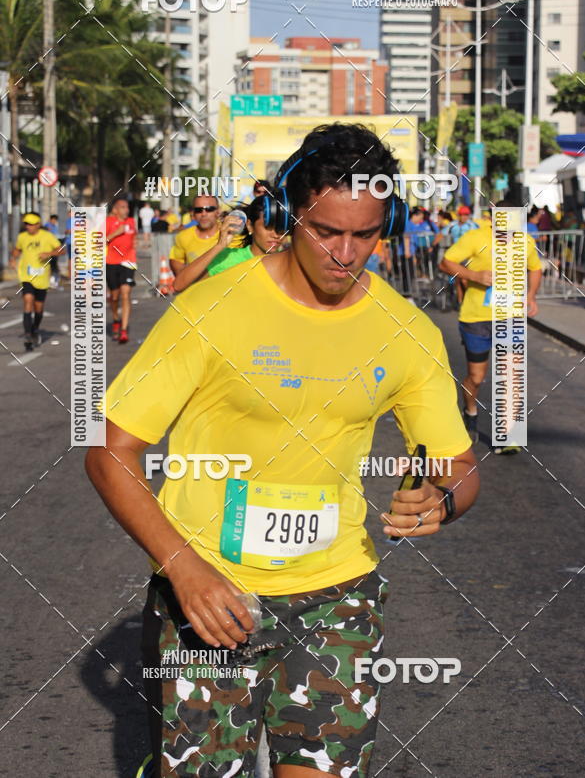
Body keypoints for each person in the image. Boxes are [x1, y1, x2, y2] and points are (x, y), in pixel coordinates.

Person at [86, 121, 479, 778]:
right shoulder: (211, 309)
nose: (345, 253)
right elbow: (111, 451)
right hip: (209, 591)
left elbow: (459, 463)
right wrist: (183, 567)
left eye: (366, 234)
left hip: (335, 594)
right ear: (291, 216)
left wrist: (443, 497)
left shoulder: (404, 331)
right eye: (327, 231)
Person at [439, 199, 542, 452]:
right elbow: (446, 262)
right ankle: (470, 411)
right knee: (477, 377)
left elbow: (536, 268)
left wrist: (531, 296)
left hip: (509, 316)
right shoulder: (476, 238)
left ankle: (508, 437)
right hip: (476, 319)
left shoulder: (525, 241)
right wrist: (475, 276)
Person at [172, 197, 283, 292]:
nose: (276, 234)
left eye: (281, 227)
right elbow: (179, 285)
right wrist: (219, 246)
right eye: (268, 227)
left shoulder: (289, 261)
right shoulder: (228, 258)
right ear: (249, 226)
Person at [10, 212, 63, 351]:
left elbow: (61, 250)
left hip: (42, 277)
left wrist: (49, 253)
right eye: (27, 224)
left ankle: (34, 329)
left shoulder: (47, 236)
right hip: (26, 276)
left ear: (38, 224)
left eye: (32, 224)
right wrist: (12, 259)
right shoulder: (22, 237)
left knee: (38, 309)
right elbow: (17, 249)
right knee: (28, 300)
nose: (29, 227)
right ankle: (28, 334)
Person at [106, 198, 137, 344]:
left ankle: (123, 330)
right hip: (111, 262)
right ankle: (116, 319)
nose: (126, 210)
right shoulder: (108, 222)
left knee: (126, 294)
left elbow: (133, 239)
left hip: (128, 262)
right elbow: (99, 241)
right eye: (123, 207)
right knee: (114, 297)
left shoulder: (131, 221)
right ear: (115, 210)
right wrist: (115, 233)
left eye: (127, 207)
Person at [168, 195, 221, 277]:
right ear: (193, 213)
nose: (203, 214)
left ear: (218, 211)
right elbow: (177, 265)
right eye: (198, 210)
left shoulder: (230, 234)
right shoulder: (183, 237)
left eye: (209, 209)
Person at [44, 214, 61, 288]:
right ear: (51, 219)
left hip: (54, 248)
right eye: (53, 220)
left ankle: (53, 280)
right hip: (48, 249)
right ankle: (49, 281)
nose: (54, 222)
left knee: (54, 265)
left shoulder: (55, 227)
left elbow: (56, 236)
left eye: (55, 220)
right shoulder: (47, 226)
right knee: (49, 265)